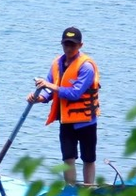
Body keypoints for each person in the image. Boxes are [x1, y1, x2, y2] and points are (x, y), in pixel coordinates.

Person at [27, 26, 100, 185]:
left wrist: (49, 85)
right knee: (68, 158)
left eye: (72, 45)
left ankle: (89, 189)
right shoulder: (56, 64)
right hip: (66, 120)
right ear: (62, 44)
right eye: (66, 44)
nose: (69, 48)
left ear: (80, 45)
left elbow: (74, 93)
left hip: (86, 121)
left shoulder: (86, 66)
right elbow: (49, 91)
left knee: (88, 158)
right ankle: (71, 191)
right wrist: (39, 98)